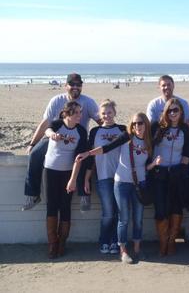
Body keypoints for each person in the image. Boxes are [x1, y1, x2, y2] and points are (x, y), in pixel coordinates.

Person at [77, 113, 159, 264]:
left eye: (140, 123)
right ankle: (123, 251)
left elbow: (146, 166)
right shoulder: (126, 137)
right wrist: (88, 153)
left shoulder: (149, 142)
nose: (137, 126)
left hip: (139, 184)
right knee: (124, 218)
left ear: (146, 124)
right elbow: (106, 148)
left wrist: (153, 164)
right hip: (121, 183)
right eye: (134, 124)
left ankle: (137, 249)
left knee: (138, 218)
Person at [23, 73, 100, 211]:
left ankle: (84, 194)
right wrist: (32, 144)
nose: (76, 87)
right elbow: (45, 123)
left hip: (78, 139)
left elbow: (100, 121)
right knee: (35, 154)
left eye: (79, 84)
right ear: (66, 86)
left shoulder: (88, 102)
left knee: (84, 157)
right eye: (72, 84)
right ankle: (33, 194)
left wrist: (108, 137)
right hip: (54, 138)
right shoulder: (56, 100)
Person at [44, 101, 88, 258]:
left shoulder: (81, 132)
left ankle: (62, 243)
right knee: (51, 206)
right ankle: (52, 244)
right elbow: (48, 130)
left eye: (80, 112)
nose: (79, 115)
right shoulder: (57, 124)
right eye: (76, 112)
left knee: (65, 207)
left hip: (68, 173)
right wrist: (52, 135)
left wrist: (73, 179)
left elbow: (79, 158)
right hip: (50, 170)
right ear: (66, 113)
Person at [151, 99, 189, 256]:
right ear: (165, 112)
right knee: (161, 209)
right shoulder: (157, 128)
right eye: (169, 110)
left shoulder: (186, 130)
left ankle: (172, 242)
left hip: (177, 173)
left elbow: (188, 153)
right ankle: (163, 241)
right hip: (159, 174)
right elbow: (146, 144)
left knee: (176, 207)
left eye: (176, 110)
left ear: (181, 112)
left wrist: (182, 170)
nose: (173, 113)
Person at [83, 99, 126, 254]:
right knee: (108, 212)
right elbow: (90, 156)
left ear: (114, 113)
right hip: (103, 177)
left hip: (121, 177)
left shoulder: (122, 129)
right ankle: (104, 240)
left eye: (109, 112)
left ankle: (115, 240)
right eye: (103, 113)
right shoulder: (95, 132)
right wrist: (87, 178)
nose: (107, 116)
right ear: (99, 115)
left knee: (119, 212)